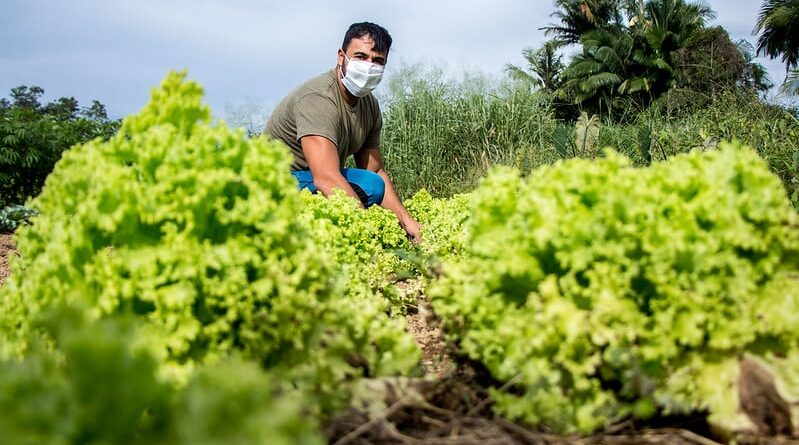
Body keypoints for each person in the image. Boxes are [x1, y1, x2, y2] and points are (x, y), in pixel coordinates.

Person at [265, 22, 422, 243]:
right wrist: (366, 231)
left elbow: (375, 171)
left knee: (373, 184)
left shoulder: (370, 107)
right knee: (359, 187)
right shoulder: (319, 99)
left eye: (378, 61)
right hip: (276, 183)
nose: (369, 66)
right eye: (360, 57)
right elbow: (326, 178)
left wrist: (407, 222)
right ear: (341, 56)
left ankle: (323, 227)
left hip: (311, 179)